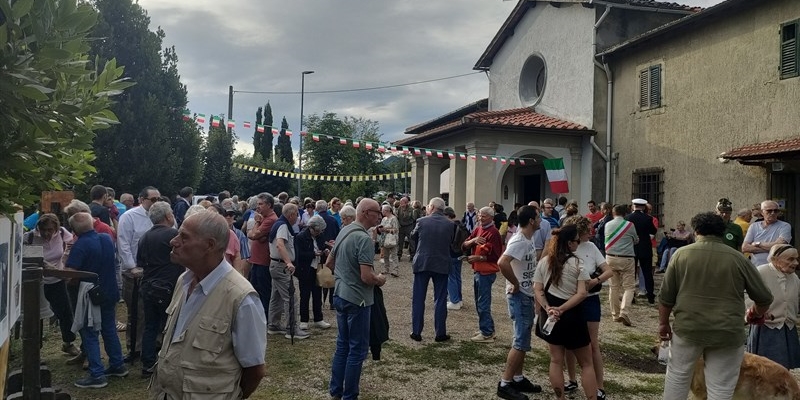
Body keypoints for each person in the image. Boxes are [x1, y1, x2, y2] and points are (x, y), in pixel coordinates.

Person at [150, 211, 266, 398]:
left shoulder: (241, 297)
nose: (174, 241)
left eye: (184, 237)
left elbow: (255, 371)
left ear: (209, 245)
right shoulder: (184, 280)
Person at [658, 212, 773, 400]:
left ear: (696, 231)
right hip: (727, 332)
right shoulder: (738, 259)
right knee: (721, 388)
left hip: (688, 328)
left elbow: (666, 296)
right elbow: (764, 297)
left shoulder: (681, 255)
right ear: (722, 232)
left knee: (677, 378)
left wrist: (663, 324)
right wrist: (755, 312)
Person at [326, 199, 386, 400]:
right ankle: (349, 395)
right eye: (378, 212)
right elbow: (366, 277)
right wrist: (380, 280)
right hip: (358, 300)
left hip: (340, 295)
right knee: (357, 350)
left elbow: (329, 262)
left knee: (342, 345)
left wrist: (344, 276)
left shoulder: (344, 230)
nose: (380, 216)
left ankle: (336, 390)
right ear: (367, 212)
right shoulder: (364, 239)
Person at [533, 225, 596, 400]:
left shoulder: (544, 262)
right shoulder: (577, 264)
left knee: (555, 360)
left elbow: (537, 289)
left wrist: (548, 308)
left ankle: (559, 397)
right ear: (569, 243)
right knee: (586, 363)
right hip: (572, 314)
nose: (578, 243)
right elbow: (582, 293)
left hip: (551, 314)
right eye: (576, 240)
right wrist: (562, 308)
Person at [65, 212, 127, 388]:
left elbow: (71, 276)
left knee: (89, 332)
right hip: (110, 290)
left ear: (74, 230)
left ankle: (97, 374)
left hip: (91, 295)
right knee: (109, 329)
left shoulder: (81, 245)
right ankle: (117, 365)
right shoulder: (106, 238)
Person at [561, 216, 613, 399]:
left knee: (592, 344)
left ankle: (599, 386)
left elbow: (608, 270)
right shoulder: (563, 247)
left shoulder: (590, 247)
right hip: (568, 298)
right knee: (569, 343)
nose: (589, 235)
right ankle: (572, 379)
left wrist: (595, 281)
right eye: (585, 233)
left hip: (589, 299)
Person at [496, 206, 543, 400]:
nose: (540, 219)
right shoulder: (519, 241)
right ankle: (505, 383)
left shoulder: (528, 238)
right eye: (538, 216)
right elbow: (502, 262)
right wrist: (514, 283)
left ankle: (518, 377)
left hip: (527, 295)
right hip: (520, 296)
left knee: (524, 339)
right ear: (531, 221)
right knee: (520, 340)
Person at [135, 201, 184, 377]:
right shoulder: (173, 234)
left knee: (151, 325)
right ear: (168, 216)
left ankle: (147, 364)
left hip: (148, 286)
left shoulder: (144, 237)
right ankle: (170, 362)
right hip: (168, 286)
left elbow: (139, 262)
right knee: (171, 325)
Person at [24, 214, 79, 357]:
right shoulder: (29, 237)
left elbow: (72, 244)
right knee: (37, 316)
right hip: (37, 282)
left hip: (57, 280)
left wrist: (65, 265)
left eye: (50, 230)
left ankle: (68, 343)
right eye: (43, 230)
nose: (47, 233)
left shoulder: (62, 233)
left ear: (56, 228)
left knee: (65, 313)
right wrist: (43, 264)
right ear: (38, 228)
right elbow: (23, 257)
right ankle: (36, 350)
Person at [117, 186, 160, 362]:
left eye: (159, 199)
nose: (157, 203)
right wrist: (131, 267)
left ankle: (154, 344)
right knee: (136, 312)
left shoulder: (161, 216)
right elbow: (124, 243)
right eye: (153, 199)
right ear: (142, 200)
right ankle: (134, 347)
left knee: (155, 309)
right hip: (135, 272)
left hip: (155, 271)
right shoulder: (129, 217)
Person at [746, 244, 800, 369]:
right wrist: (756, 312)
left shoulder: (794, 277)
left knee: (784, 367)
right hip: (766, 326)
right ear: (775, 259)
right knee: (766, 367)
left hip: (788, 326)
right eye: (790, 259)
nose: (795, 263)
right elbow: (747, 294)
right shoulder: (761, 271)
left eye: (796, 259)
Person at [409, 197, 455, 343]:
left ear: (432, 207)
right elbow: (452, 242)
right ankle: (440, 332)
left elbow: (412, 236)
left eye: (428, 206)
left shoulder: (422, 222)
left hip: (423, 262)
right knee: (440, 299)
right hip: (441, 263)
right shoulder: (450, 224)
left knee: (418, 298)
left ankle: (417, 331)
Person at [463, 206, 503, 343]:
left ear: (491, 218)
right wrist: (473, 241)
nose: (480, 218)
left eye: (483, 216)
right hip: (478, 271)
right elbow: (465, 244)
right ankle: (487, 328)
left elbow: (497, 255)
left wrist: (479, 258)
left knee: (483, 303)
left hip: (486, 272)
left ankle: (486, 333)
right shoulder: (478, 229)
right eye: (479, 215)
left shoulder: (494, 233)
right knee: (478, 301)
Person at [267, 203, 307, 339]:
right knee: (291, 298)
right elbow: (280, 244)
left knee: (276, 296)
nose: (298, 217)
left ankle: (273, 324)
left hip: (275, 265)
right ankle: (292, 329)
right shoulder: (283, 226)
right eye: (297, 214)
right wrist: (288, 262)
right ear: (291, 215)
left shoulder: (278, 223)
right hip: (280, 266)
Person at [603, 204, 639, 326]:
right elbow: (635, 240)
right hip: (627, 258)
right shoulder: (630, 225)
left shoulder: (608, 224)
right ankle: (624, 312)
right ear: (625, 214)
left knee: (613, 287)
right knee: (629, 287)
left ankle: (615, 314)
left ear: (613, 213)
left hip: (610, 257)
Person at [294, 215, 331, 331]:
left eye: (320, 231)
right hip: (306, 269)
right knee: (304, 295)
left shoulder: (320, 236)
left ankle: (318, 318)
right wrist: (313, 254)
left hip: (318, 268)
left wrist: (325, 250)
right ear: (311, 228)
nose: (319, 233)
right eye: (317, 230)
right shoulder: (300, 237)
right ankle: (303, 320)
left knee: (317, 294)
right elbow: (298, 255)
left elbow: (322, 245)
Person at [247, 192, 278, 320]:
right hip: (256, 260)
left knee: (264, 291)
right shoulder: (263, 218)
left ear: (269, 205)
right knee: (254, 288)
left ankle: (264, 317)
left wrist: (257, 224)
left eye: (260, 204)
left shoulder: (270, 220)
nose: (257, 207)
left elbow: (252, 235)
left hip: (263, 261)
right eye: (257, 204)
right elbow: (250, 234)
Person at [742, 200, 792, 266]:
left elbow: (780, 247)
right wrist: (772, 248)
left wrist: (758, 244)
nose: (773, 213)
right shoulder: (754, 226)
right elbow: (745, 248)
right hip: (756, 267)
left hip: (776, 268)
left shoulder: (784, 226)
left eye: (776, 211)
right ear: (762, 212)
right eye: (769, 211)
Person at [627, 198, 657, 304]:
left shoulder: (628, 218)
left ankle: (631, 296)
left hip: (632, 248)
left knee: (631, 273)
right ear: (643, 207)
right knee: (647, 272)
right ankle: (650, 296)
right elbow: (654, 230)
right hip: (645, 247)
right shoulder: (648, 218)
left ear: (633, 206)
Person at [444, 207, 467, 310]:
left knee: (450, 277)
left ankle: (454, 300)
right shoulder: (461, 225)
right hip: (459, 253)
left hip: (451, 253)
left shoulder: (450, 226)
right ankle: (459, 299)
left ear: (447, 216)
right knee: (457, 277)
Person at [378, 204, 400, 277]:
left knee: (394, 255)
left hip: (392, 239)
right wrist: (380, 229)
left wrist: (386, 230)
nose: (382, 211)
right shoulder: (384, 219)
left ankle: (395, 270)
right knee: (385, 255)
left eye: (383, 210)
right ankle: (386, 269)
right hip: (384, 239)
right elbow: (381, 228)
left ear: (387, 210)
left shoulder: (393, 219)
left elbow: (396, 230)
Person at [396, 197, 416, 261]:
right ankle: (399, 255)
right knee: (400, 241)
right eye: (400, 202)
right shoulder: (399, 208)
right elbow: (398, 216)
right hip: (401, 226)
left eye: (402, 202)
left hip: (409, 226)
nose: (401, 203)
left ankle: (412, 256)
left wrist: (409, 224)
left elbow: (413, 218)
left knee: (411, 241)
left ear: (406, 202)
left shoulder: (411, 209)